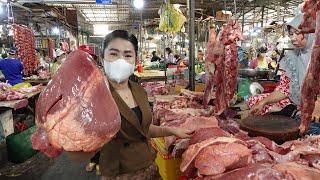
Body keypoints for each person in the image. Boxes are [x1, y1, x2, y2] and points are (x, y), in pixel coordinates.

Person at [70, 30, 193, 179]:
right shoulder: (94, 96)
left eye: (128, 55)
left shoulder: (138, 90)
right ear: (102, 59)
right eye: (114, 54)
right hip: (119, 174)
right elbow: (78, 153)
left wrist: (173, 131)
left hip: (150, 169)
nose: (120, 60)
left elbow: (143, 130)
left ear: (136, 60)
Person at [249, 8, 320, 134]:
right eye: (291, 34)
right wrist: (263, 102)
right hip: (302, 109)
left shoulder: (316, 57)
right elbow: (285, 89)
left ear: (311, 33)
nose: (293, 38)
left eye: (298, 33)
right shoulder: (294, 57)